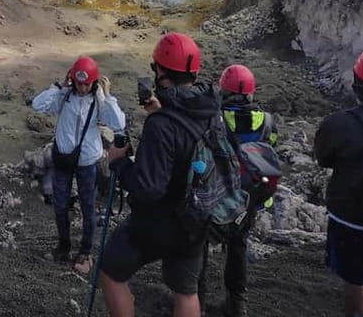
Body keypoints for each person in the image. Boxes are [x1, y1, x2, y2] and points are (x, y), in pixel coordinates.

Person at [101, 32, 220, 317]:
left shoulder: (161, 126)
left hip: (160, 222)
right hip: (197, 217)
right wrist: (162, 110)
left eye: (156, 67)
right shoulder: (211, 108)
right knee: (186, 291)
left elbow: (148, 188)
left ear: (162, 72)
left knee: (111, 272)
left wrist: (119, 163)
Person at [31, 56, 126, 274]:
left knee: (88, 205)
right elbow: (38, 104)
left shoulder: (98, 101)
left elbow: (118, 123)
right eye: (79, 83)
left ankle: (86, 251)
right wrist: (59, 86)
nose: (83, 88)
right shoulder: (65, 96)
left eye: (87, 84)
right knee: (60, 205)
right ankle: (63, 246)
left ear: (94, 82)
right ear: (73, 80)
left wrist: (107, 96)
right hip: (63, 158)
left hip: (87, 161)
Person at [198, 64, 278, 317]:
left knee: (200, 247)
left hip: (217, 196)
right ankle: (237, 304)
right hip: (250, 197)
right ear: (250, 93)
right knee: (238, 247)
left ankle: (196, 303)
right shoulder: (267, 122)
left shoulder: (215, 118)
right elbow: (270, 150)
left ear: (223, 90)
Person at [315, 48, 363, 317]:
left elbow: (324, 158)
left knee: (356, 280)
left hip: (352, 219)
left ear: (356, 84)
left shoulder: (338, 124)